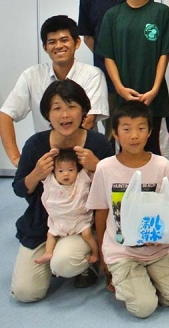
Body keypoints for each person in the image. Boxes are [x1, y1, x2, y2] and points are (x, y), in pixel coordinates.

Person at [11, 80, 114, 302]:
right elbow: (19, 188)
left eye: (71, 106)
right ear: (47, 114)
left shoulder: (98, 143)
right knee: (25, 292)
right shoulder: (35, 145)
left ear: (83, 110)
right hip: (44, 224)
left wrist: (99, 167)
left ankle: (85, 262)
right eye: (57, 108)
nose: (65, 115)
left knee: (63, 263)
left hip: (82, 225)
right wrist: (36, 174)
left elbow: (116, 191)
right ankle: (58, 252)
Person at [86, 101, 169, 319]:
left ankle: (144, 279)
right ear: (115, 133)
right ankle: (128, 278)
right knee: (144, 308)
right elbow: (101, 213)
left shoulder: (162, 165)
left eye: (141, 128)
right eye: (126, 129)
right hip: (122, 252)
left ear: (149, 131)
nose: (134, 136)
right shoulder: (105, 168)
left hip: (156, 250)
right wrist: (103, 256)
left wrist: (161, 237)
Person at [96, 0, 169, 154]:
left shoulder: (161, 12)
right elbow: (108, 56)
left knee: (156, 157)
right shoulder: (113, 15)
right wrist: (120, 89)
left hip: (156, 101)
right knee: (125, 156)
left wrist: (154, 89)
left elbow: (164, 55)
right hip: (123, 101)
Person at [1, 15, 108, 167]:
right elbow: (5, 115)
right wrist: (17, 159)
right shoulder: (32, 75)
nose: (58, 46)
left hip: (82, 158)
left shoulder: (93, 75)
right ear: (45, 47)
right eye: (52, 42)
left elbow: (88, 121)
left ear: (77, 42)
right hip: (46, 158)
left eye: (64, 40)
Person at [77, 0, 129, 116]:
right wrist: (107, 57)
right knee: (111, 126)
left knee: (139, 126)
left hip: (136, 72)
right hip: (106, 77)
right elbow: (88, 37)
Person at [33, 148, 99, 267]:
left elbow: (88, 167)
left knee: (87, 234)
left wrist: (85, 157)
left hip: (79, 220)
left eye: (71, 170)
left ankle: (95, 253)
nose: (66, 174)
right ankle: (48, 252)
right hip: (59, 220)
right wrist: (50, 155)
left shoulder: (81, 179)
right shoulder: (50, 181)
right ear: (54, 172)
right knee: (51, 234)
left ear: (77, 170)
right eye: (60, 171)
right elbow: (43, 171)